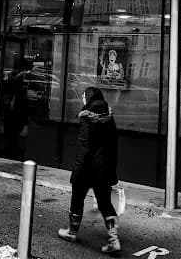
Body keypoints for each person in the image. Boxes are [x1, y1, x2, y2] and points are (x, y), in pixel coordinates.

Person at [58, 86, 121, 255]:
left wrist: (77, 169)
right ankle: (114, 240)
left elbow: (84, 146)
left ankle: (72, 232)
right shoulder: (109, 117)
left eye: (84, 96)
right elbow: (113, 147)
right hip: (103, 168)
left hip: (86, 167)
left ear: (89, 98)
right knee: (105, 203)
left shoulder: (86, 116)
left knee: (77, 198)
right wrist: (111, 172)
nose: (82, 99)